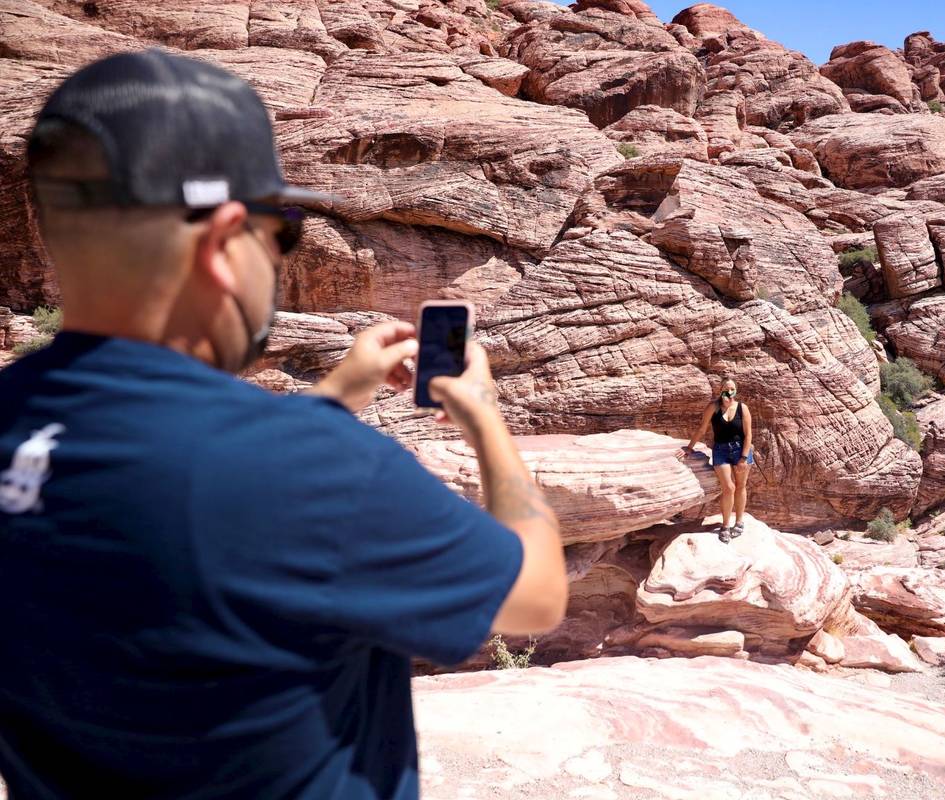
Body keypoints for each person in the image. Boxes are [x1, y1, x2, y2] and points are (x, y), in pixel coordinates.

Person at [0, 49, 567, 800]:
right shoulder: (318, 471)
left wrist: (336, 400)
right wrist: (485, 418)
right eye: (284, 231)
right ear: (224, 240)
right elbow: (532, 596)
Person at [679, 377, 754, 543]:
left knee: (741, 486)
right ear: (720, 390)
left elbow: (748, 434)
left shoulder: (742, 408)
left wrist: (743, 457)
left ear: (736, 391)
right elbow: (702, 428)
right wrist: (689, 448)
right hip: (721, 449)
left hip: (741, 449)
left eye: (732, 389)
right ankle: (725, 526)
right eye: (726, 388)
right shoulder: (713, 407)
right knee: (729, 487)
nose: (729, 391)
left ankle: (739, 522)